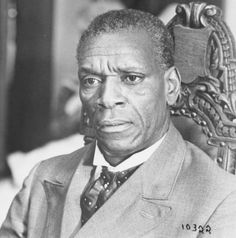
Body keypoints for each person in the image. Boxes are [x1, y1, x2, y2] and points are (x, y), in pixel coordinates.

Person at [1, 9, 236, 238]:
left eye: (131, 78)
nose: (106, 98)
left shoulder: (220, 200)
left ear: (171, 86)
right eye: (91, 80)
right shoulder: (41, 177)